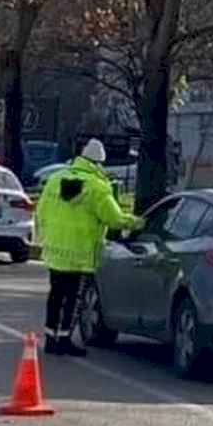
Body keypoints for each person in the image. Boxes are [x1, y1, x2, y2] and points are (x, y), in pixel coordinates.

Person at [35, 139, 143, 357]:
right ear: (99, 163)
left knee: (55, 295)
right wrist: (136, 222)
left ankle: (50, 339)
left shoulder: (55, 180)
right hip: (80, 253)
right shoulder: (97, 186)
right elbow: (113, 219)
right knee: (73, 298)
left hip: (56, 250)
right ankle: (64, 339)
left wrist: (44, 238)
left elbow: (41, 211)